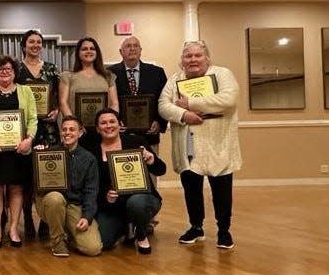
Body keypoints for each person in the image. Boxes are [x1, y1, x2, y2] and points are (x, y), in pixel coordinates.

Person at [158, 40, 241, 249]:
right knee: (191, 188)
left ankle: (224, 231)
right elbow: (163, 105)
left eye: (197, 55)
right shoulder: (175, 79)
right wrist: (184, 114)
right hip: (187, 142)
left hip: (218, 142)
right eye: (188, 56)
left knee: (221, 190)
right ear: (182, 61)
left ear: (207, 58)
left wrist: (192, 104)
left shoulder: (222, 74)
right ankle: (196, 227)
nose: (193, 60)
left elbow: (228, 99)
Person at [0, 55, 38, 249]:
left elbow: (33, 119)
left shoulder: (25, 91)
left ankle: (13, 228)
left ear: (14, 72)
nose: (5, 72)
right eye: (0, 69)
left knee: (16, 188)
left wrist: (29, 140)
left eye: (9, 69)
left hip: (19, 150)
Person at [87, 108, 166, 254]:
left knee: (136, 203)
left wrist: (151, 159)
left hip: (142, 199)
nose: (108, 125)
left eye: (112, 121)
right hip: (113, 206)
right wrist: (106, 196)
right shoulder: (92, 152)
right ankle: (127, 226)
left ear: (119, 124)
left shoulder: (136, 142)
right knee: (105, 241)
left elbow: (161, 170)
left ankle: (141, 235)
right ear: (98, 129)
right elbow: (92, 184)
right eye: (103, 123)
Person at [35, 116, 103, 258]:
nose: (67, 133)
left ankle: (68, 234)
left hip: (74, 205)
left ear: (80, 133)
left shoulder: (89, 158)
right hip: (50, 202)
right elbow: (37, 185)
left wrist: (87, 216)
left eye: (72, 129)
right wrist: (38, 155)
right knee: (55, 199)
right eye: (64, 129)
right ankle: (58, 242)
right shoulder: (48, 152)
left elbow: (91, 191)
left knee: (93, 248)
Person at [17, 29, 60, 241]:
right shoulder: (16, 69)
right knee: (25, 177)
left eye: (38, 42)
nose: (35, 45)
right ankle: (26, 217)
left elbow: (59, 96)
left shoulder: (51, 69)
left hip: (49, 130)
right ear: (24, 45)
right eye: (31, 42)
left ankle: (45, 220)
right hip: (24, 131)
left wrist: (57, 110)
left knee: (48, 175)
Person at [108, 36, 168, 151]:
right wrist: (113, 121)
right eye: (128, 46)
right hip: (120, 138)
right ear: (121, 52)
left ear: (141, 50)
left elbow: (164, 100)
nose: (132, 49)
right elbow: (107, 102)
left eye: (135, 46)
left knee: (151, 167)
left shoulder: (157, 72)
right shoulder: (109, 73)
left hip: (149, 137)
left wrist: (160, 122)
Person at [58, 37, 119, 144]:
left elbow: (114, 103)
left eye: (92, 48)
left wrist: (110, 124)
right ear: (78, 53)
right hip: (78, 133)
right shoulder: (68, 76)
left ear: (97, 52)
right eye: (84, 49)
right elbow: (63, 102)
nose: (89, 51)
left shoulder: (108, 76)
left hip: (104, 131)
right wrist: (75, 125)